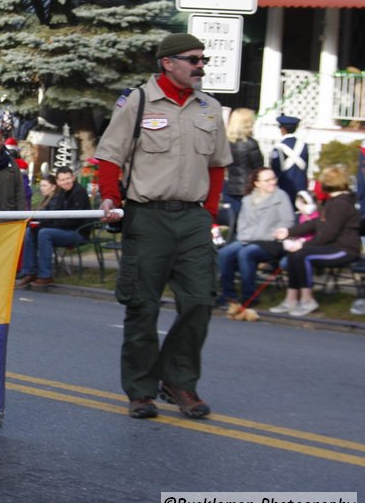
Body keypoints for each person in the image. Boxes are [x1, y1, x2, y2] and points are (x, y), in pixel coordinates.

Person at [96, 32, 232, 421]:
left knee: (201, 300)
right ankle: (141, 390)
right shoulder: (138, 102)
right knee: (143, 306)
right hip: (148, 215)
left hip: (192, 218)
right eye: (193, 59)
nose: (200, 66)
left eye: (203, 60)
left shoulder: (209, 108)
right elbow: (109, 156)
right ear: (168, 62)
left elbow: (218, 165)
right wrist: (111, 198)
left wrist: (209, 212)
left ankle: (179, 381)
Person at [269, 165, 361, 317]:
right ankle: (291, 298)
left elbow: (328, 234)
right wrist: (288, 231)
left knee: (301, 254)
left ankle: (307, 299)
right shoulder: (332, 202)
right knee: (295, 254)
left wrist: (302, 244)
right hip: (333, 246)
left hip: (344, 249)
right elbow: (316, 223)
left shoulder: (341, 204)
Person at [217, 168, 294, 308]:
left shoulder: (281, 197)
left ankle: (249, 296)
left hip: (271, 242)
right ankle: (228, 295)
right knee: (224, 253)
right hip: (247, 239)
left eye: (273, 179)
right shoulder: (247, 200)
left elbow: (287, 222)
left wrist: (268, 235)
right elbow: (242, 224)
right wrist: (246, 237)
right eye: (267, 180)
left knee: (246, 253)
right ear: (257, 183)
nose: (272, 182)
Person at [18, 166, 91, 288]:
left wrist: (44, 226)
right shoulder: (61, 193)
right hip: (64, 229)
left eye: (68, 178)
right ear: (57, 182)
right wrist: (39, 224)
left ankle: (45, 275)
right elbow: (54, 215)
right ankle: (29, 272)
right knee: (30, 231)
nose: (66, 182)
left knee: (44, 233)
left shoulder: (79, 192)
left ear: (73, 177)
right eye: (62, 180)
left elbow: (72, 220)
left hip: (78, 232)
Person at [15, 174, 60, 287]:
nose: (41, 188)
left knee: (38, 233)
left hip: (51, 229)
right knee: (29, 232)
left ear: (53, 187)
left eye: (45, 185)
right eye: (41, 185)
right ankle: (29, 271)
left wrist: (38, 223)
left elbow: (52, 219)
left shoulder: (55, 200)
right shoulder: (45, 199)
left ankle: (40, 273)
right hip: (45, 227)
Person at [223, 108, 263, 227]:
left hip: (229, 186)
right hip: (247, 187)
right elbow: (258, 168)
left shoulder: (226, 142)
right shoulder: (251, 144)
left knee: (232, 221)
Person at [270, 115, 308, 205]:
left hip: (284, 186)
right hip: (301, 186)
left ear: (282, 129)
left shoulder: (279, 147)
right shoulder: (304, 146)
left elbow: (275, 169)